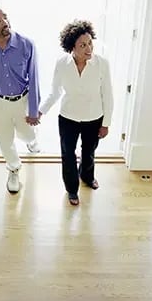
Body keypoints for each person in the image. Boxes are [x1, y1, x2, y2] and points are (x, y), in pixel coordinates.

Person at [38, 20, 113, 205]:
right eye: (83, 45)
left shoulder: (102, 64)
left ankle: (87, 177)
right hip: (68, 118)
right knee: (67, 154)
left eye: (90, 43)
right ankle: (72, 189)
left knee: (89, 152)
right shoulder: (61, 64)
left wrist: (106, 123)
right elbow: (55, 92)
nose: (88, 49)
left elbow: (108, 95)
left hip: (94, 117)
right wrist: (41, 111)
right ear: (72, 47)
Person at [0, 4, 41, 194]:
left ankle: (30, 140)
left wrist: (34, 110)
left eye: (4, 17)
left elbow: (34, 78)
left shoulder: (26, 44)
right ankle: (13, 168)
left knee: (27, 133)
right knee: (4, 140)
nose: (4, 22)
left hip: (22, 101)